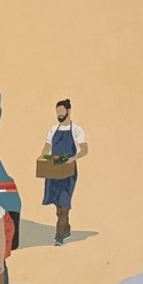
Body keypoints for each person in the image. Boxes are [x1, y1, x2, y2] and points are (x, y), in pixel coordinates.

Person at [43, 99, 87, 245]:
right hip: (54, 169)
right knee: (57, 203)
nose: (59, 115)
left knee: (64, 202)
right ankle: (66, 228)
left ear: (68, 111)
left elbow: (84, 150)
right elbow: (47, 146)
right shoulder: (53, 129)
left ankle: (59, 236)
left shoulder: (77, 130)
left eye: (61, 112)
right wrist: (42, 155)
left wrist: (72, 159)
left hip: (68, 170)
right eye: (57, 112)